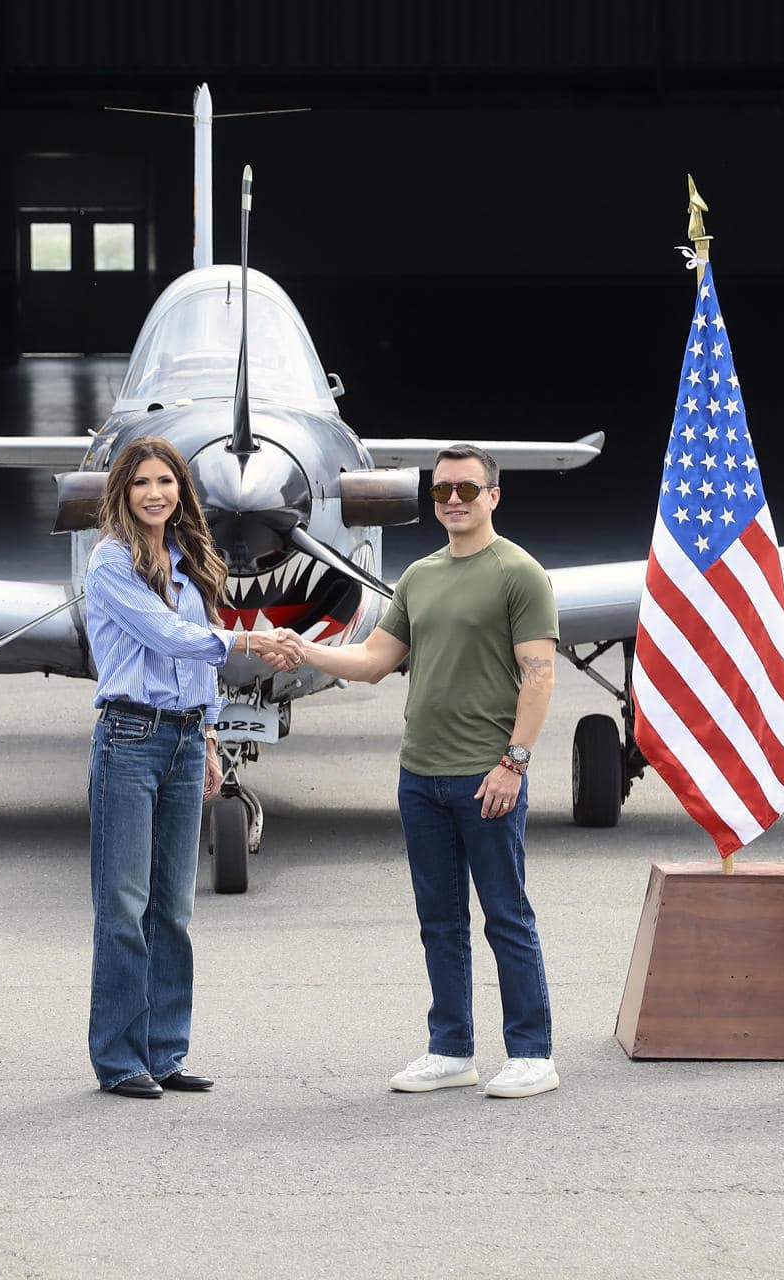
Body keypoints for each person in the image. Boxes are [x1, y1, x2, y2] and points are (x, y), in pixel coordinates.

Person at [291, 444, 560, 1099]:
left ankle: (532, 1053)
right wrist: (305, 650)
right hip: (421, 777)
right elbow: (377, 660)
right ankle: (451, 1049)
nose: (455, 500)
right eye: (442, 491)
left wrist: (513, 765)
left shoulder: (520, 574)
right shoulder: (420, 576)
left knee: (507, 916)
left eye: (468, 488)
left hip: (486, 778)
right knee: (439, 920)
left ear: (494, 495)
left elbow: (540, 674)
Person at [82, 437, 298, 1098]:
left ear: (181, 491)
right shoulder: (111, 561)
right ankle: (120, 1060)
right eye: (142, 482)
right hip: (129, 737)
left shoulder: (190, 558)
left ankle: (165, 1053)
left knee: (172, 906)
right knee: (124, 905)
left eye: (166, 482)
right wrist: (245, 639)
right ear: (123, 491)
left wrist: (207, 736)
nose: (155, 493)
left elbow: (195, 663)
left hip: (180, 740)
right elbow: (166, 635)